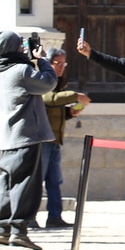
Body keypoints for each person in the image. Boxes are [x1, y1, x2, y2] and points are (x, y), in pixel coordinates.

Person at [0, 31, 57, 250]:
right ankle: (19, 231)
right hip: (26, 135)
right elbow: (48, 83)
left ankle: (2, 230)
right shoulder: (21, 70)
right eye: (19, 46)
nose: (22, 49)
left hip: (8, 137)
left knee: (7, 185)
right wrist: (42, 60)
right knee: (26, 185)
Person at [41, 48, 90, 228]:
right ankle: (28, 217)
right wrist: (75, 96)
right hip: (42, 139)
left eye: (64, 63)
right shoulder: (43, 79)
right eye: (57, 63)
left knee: (54, 180)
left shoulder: (59, 82)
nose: (61, 67)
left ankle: (54, 216)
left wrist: (69, 113)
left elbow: (55, 109)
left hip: (55, 138)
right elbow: (48, 99)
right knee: (37, 181)